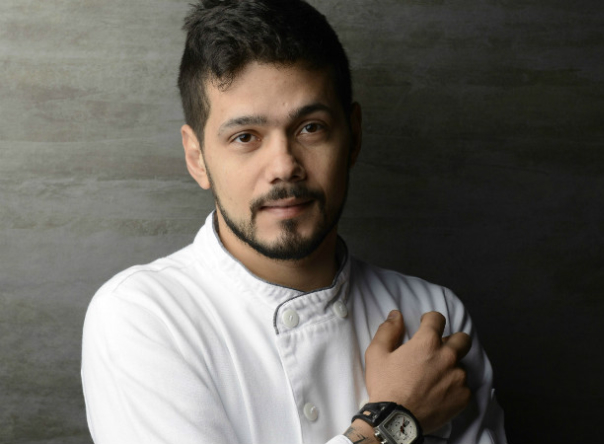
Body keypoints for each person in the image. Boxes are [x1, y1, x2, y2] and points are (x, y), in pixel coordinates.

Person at [81, 1, 507, 443]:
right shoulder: (142, 316)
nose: (284, 166)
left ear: (354, 136)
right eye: (245, 137)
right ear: (197, 157)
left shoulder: (434, 316)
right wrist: (394, 421)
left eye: (310, 128)